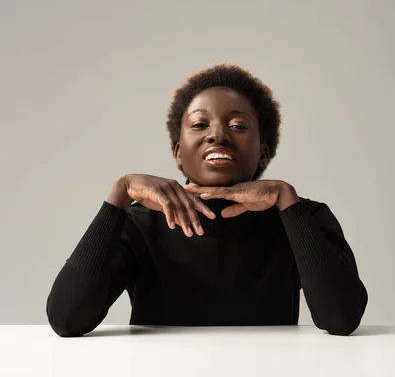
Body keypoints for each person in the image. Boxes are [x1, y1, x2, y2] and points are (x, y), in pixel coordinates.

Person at [46, 63, 368, 337]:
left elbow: (341, 318)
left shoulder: (302, 216)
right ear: (178, 154)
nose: (218, 135)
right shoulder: (140, 223)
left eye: (238, 125)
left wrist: (286, 199)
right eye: (200, 125)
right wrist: (120, 194)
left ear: (263, 153)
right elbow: (67, 318)